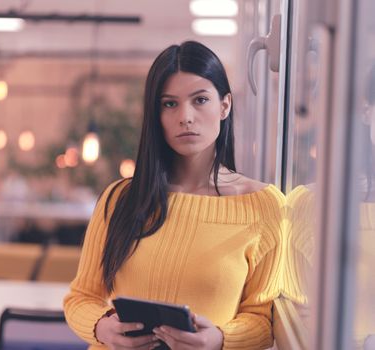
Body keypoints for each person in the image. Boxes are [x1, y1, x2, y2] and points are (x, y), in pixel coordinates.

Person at [64, 41, 284, 349]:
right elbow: (81, 298)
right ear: (156, 115)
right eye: (170, 104)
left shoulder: (265, 206)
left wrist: (220, 339)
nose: (186, 116)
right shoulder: (120, 199)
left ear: (225, 105)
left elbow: (262, 320)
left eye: (200, 100)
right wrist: (102, 328)